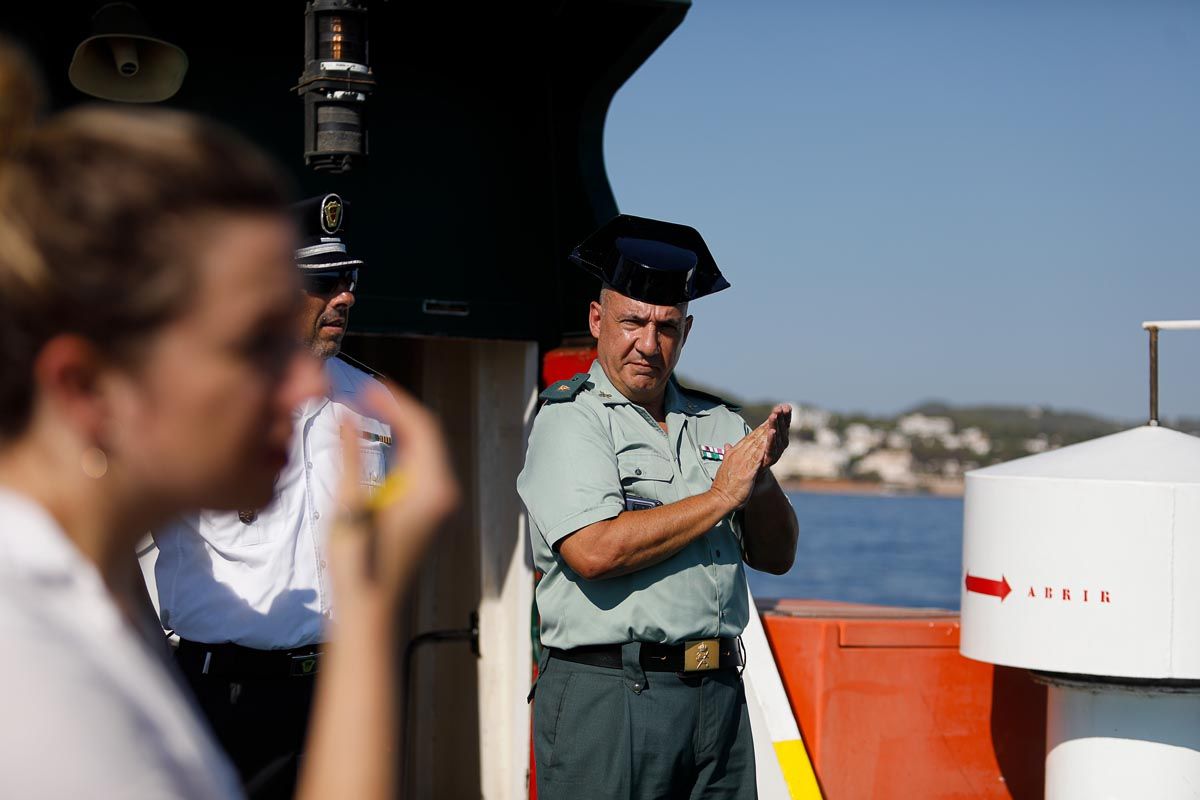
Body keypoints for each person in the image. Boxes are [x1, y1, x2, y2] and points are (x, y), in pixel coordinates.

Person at [0, 99, 457, 799]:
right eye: (254, 345)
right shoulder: (37, 672)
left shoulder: (81, 633)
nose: (304, 384)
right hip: (220, 683)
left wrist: (361, 619)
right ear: (87, 388)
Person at [517, 214, 800, 799]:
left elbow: (778, 556)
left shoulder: (719, 421)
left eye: (666, 326)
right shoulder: (572, 419)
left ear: (687, 331)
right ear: (597, 320)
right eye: (632, 322)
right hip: (613, 695)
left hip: (718, 695)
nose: (649, 343)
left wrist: (762, 478)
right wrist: (722, 495)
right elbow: (593, 550)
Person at [146, 192, 388, 797]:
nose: (345, 295)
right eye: (324, 280)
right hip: (219, 698)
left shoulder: (372, 404)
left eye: (349, 277)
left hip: (333, 693)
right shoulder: (194, 403)